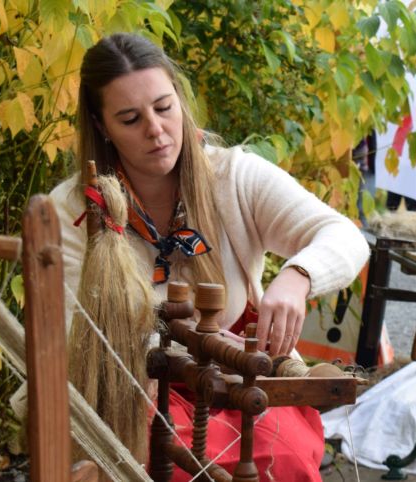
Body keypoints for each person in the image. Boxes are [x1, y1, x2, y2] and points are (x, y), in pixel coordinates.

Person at [51, 33, 369, 481]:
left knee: (286, 460)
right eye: (130, 118)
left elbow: (344, 235)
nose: (156, 130)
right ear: (102, 127)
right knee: (169, 467)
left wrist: (298, 276)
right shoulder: (73, 211)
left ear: (180, 100)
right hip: (132, 392)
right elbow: (73, 332)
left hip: (241, 387)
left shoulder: (233, 176)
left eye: (164, 107)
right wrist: (197, 353)